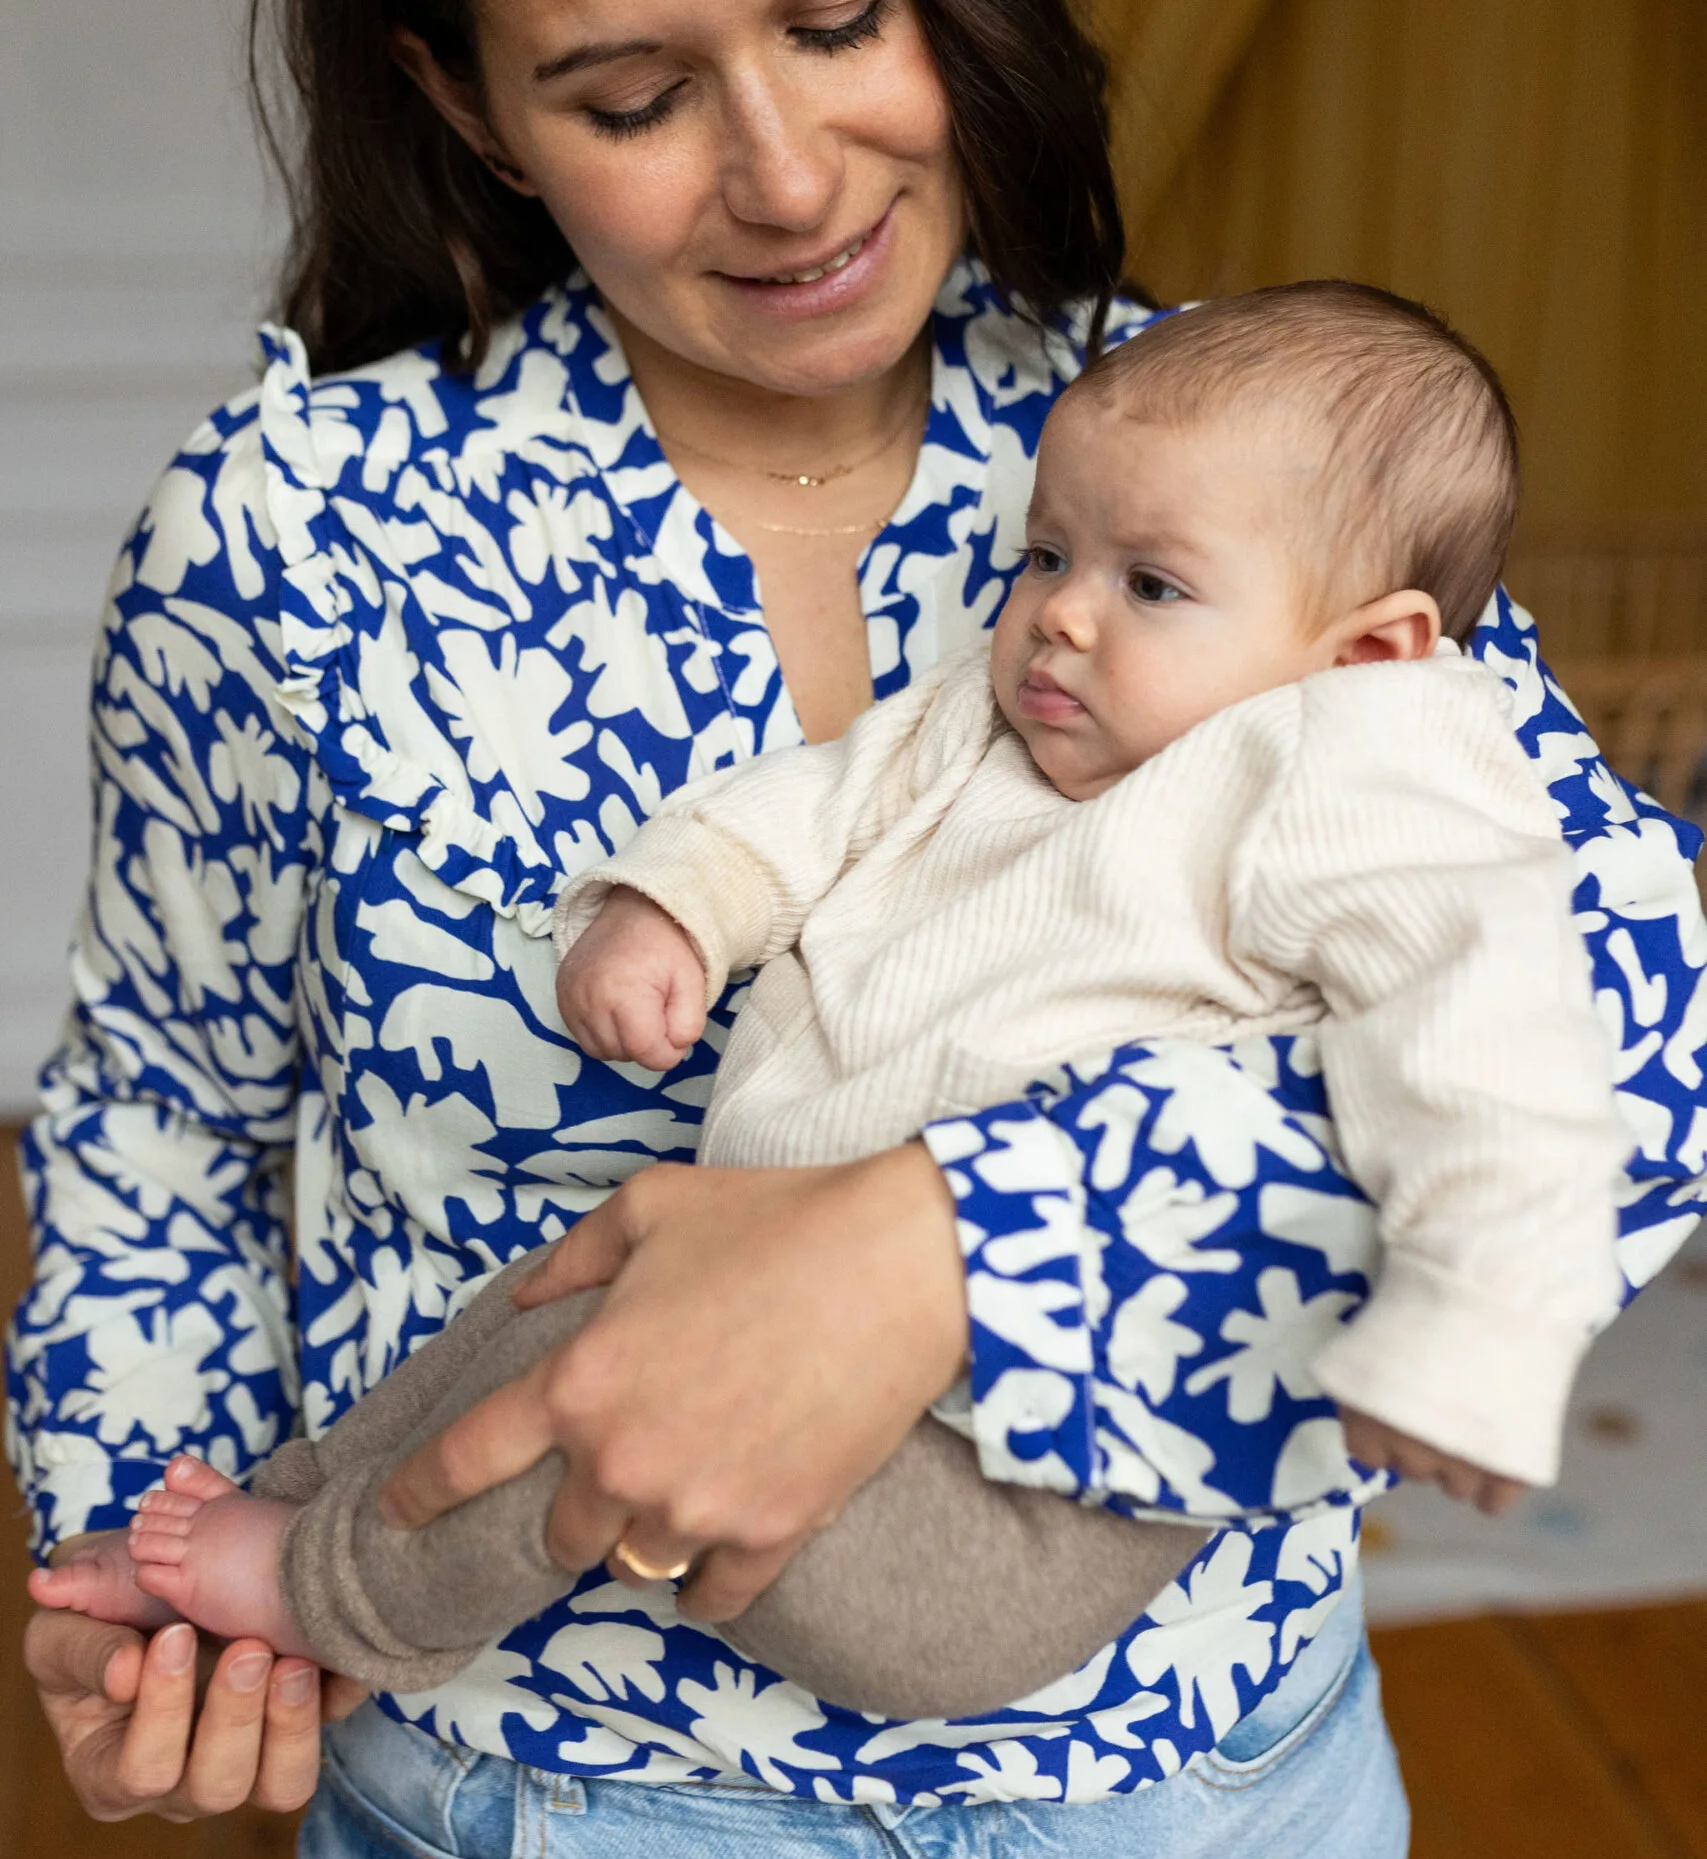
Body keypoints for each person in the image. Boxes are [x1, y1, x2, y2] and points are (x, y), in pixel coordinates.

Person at [8, 0, 1704, 1859]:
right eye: (627, 92)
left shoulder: (1234, 469)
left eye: (839, 16)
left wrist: (937, 1241)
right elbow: (158, 1109)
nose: (787, 177)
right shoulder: (298, 540)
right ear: (465, 101)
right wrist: (136, 1550)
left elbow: (1621, 1027)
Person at [30, 280, 1630, 1728]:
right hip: (756, 1347)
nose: (1061, 613)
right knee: (536, 1302)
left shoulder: (1355, 765)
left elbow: (1500, 1040)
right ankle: (293, 1499)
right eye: (1047, 556)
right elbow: (809, 807)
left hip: (1018, 1498)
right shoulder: (995, 725)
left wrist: (1472, 1332)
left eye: (1150, 583)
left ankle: (331, 1601)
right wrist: (675, 909)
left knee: (598, 1358)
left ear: (1370, 652)